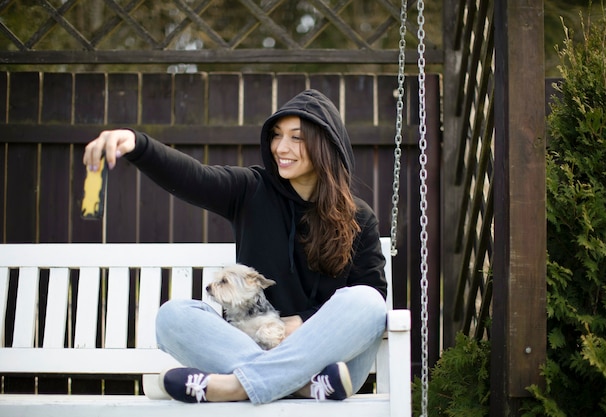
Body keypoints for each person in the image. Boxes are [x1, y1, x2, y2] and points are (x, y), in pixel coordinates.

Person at [83, 89, 388, 404]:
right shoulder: (251, 191)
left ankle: (235, 387)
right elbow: (195, 178)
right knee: (173, 316)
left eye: (297, 138)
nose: (281, 148)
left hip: (332, 364)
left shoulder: (358, 218)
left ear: (325, 145)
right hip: (264, 351)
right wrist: (137, 145)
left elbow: (372, 301)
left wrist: (301, 321)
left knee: (368, 302)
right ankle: (298, 386)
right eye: (276, 135)